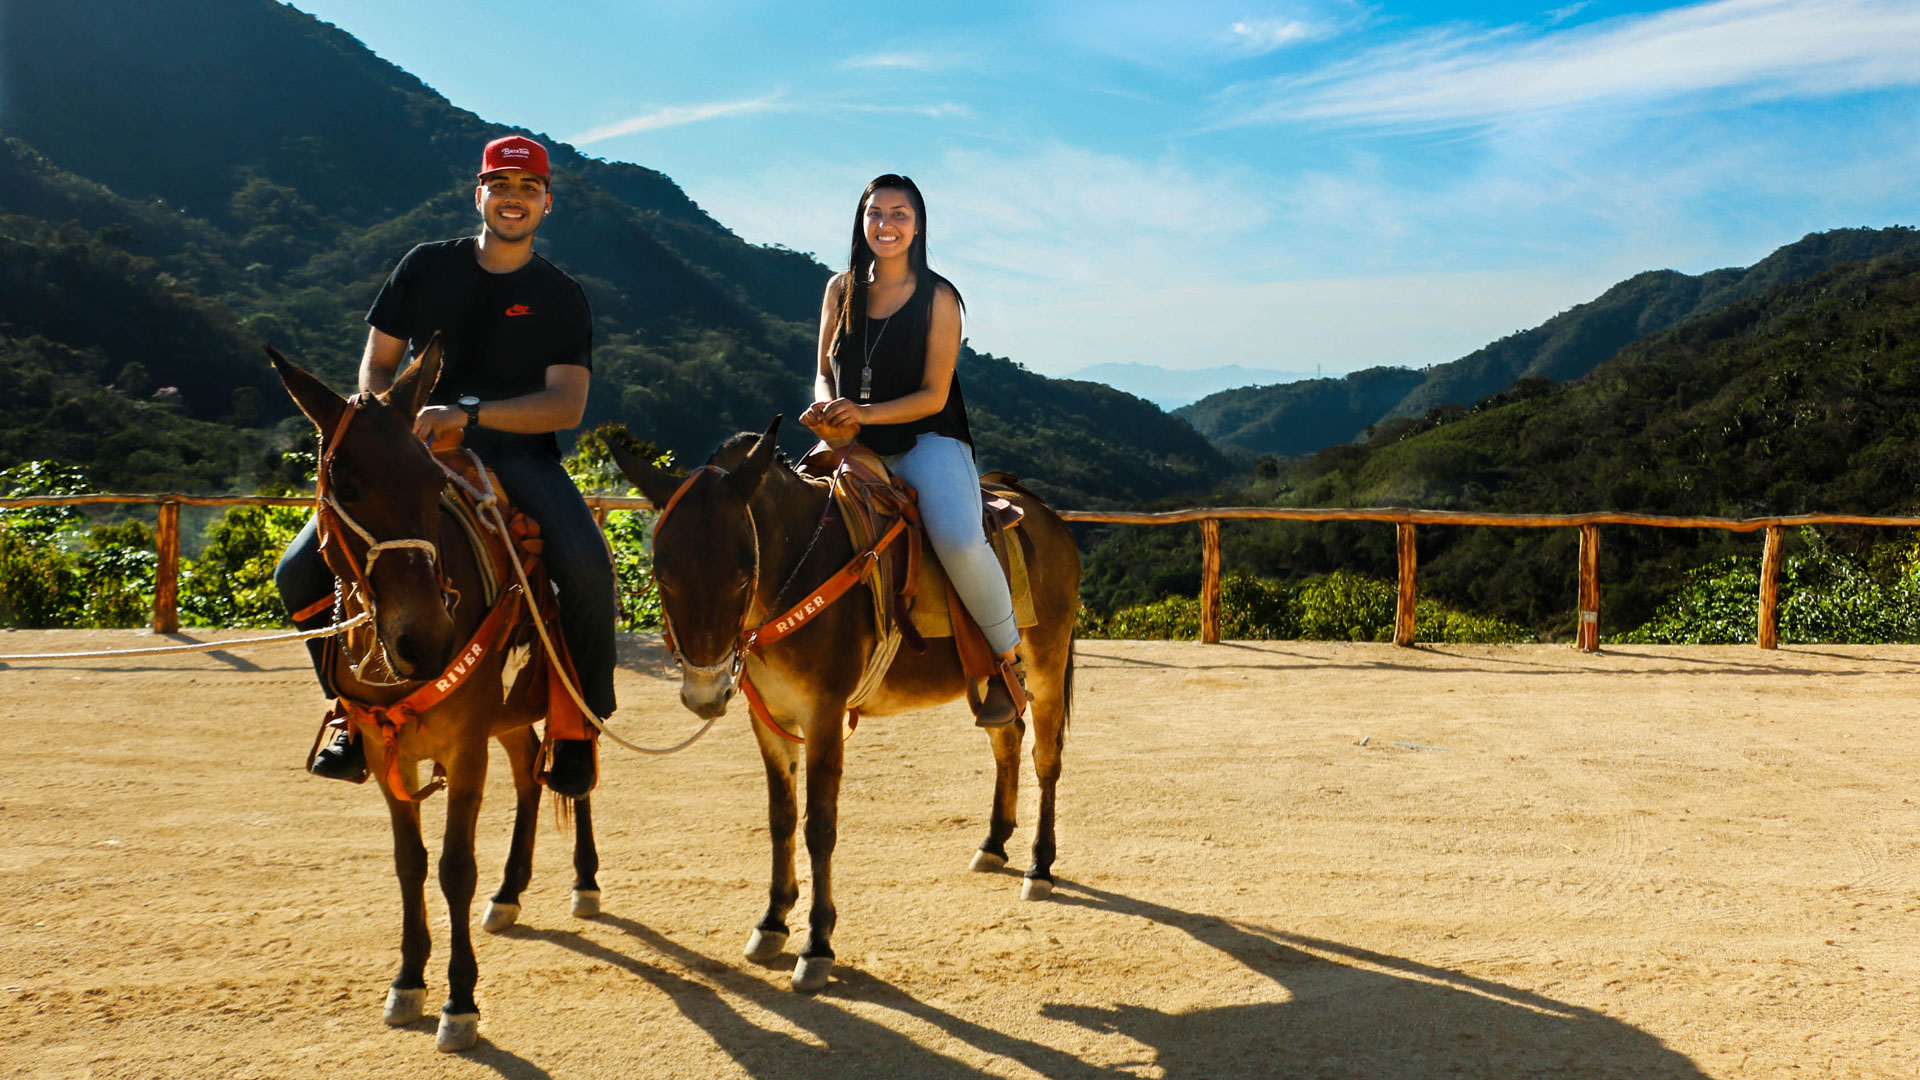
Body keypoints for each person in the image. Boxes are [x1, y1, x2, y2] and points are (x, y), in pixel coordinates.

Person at [276, 135, 613, 795]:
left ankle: (579, 725)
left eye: (528, 189)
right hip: (413, 451)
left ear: (546, 203)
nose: (513, 199)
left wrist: (470, 415)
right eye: (500, 186)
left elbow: (566, 404)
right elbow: (377, 366)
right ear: (478, 193)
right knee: (297, 569)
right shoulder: (424, 266)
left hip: (515, 452)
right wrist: (387, 422)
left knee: (586, 566)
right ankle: (347, 709)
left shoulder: (560, 293)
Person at [799, 174, 1024, 726]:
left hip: (927, 440)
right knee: (792, 519)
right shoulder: (838, 289)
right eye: (875, 213)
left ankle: (1007, 663)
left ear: (918, 224)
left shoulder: (939, 297)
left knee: (960, 540)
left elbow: (934, 395)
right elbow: (823, 370)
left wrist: (863, 414)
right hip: (852, 441)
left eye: (899, 214)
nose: (886, 224)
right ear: (861, 221)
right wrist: (825, 409)